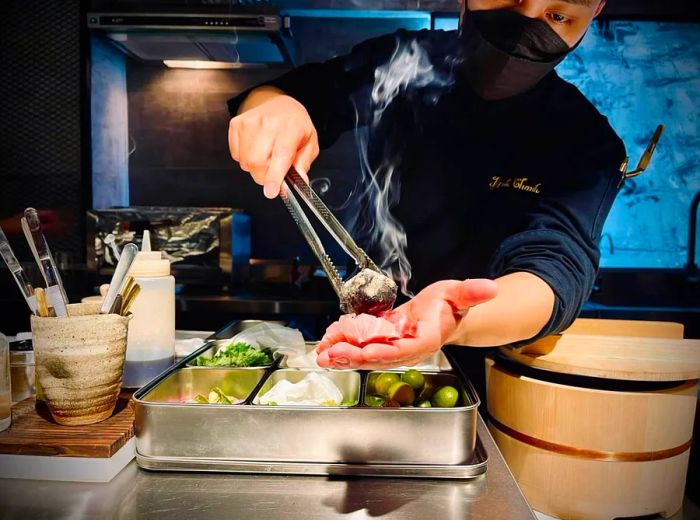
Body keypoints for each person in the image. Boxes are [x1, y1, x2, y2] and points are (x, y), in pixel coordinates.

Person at [226, 0, 624, 371]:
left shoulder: (585, 140)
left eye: (559, 17)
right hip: (367, 338)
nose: (524, 25)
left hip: (492, 370)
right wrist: (272, 106)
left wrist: (455, 321)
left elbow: (555, 270)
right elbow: (296, 94)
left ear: (595, 13)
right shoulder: (399, 61)